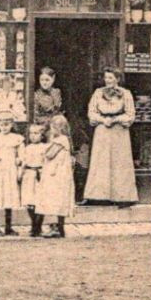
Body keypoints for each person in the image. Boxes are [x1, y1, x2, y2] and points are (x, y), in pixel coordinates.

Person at [83, 68, 140, 205]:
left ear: (117, 79)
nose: (107, 80)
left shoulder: (126, 94)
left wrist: (115, 119)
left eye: (110, 78)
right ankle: (98, 196)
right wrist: (103, 120)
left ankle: (122, 197)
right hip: (102, 130)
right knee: (101, 163)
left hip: (119, 131)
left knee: (119, 163)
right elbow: (91, 111)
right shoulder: (98, 93)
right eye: (106, 78)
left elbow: (130, 114)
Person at [35, 116, 76, 238]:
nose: (52, 130)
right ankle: (58, 226)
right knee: (56, 198)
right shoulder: (62, 140)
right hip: (56, 173)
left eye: (54, 128)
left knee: (56, 198)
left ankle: (59, 227)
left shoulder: (61, 140)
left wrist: (43, 150)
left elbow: (49, 154)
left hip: (57, 174)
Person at [21, 122, 47, 238]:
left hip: (40, 175)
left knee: (40, 201)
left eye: (36, 133)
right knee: (29, 201)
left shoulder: (45, 147)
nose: (33, 136)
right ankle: (33, 224)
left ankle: (38, 225)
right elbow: (24, 162)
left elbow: (47, 162)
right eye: (31, 133)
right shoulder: (27, 148)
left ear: (42, 135)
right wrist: (20, 174)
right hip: (29, 174)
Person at [32, 67, 64, 132]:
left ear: (53, 79)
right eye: (42, 80)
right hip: (43, 125)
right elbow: (35, 115)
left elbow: (58, 108)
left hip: (57, 124)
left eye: (47, 80)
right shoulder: (37, 95)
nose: (44, 83)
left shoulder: (56, 92)